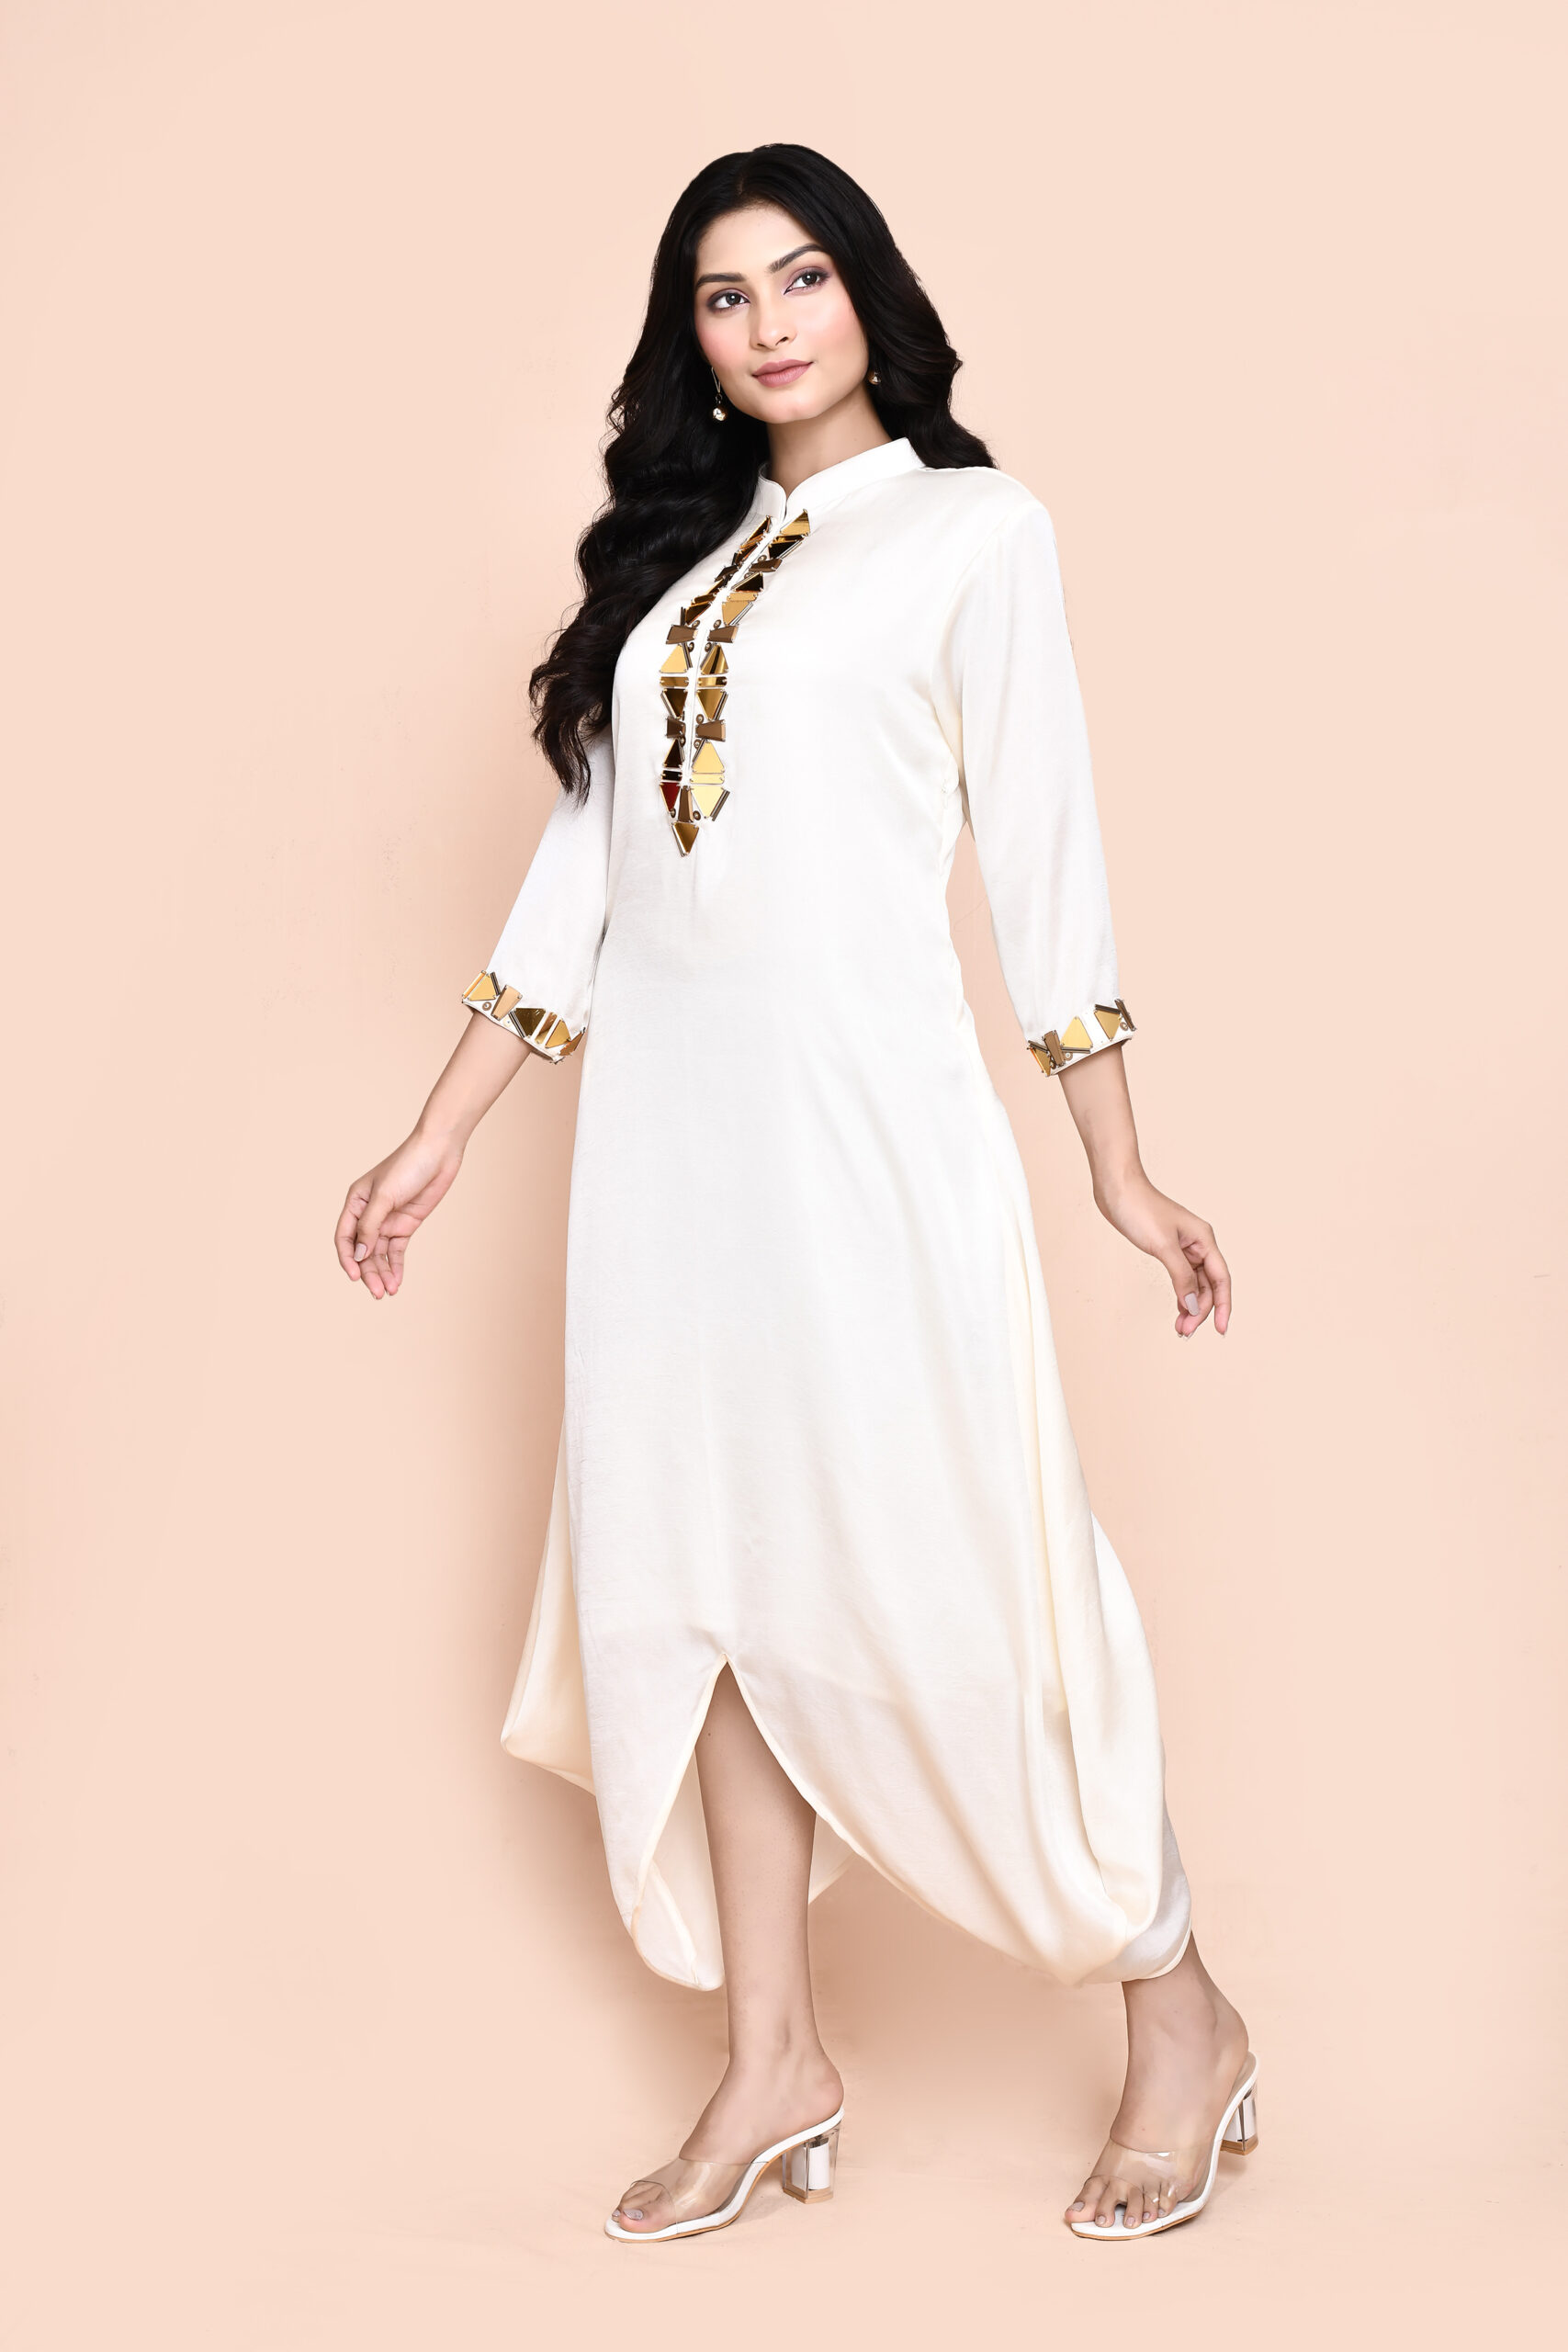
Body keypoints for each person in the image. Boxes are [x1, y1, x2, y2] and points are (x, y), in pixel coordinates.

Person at [335, 144, 1254, 2245]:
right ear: (691, 339)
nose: (764, 322)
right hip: (667, 1159)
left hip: (868, 1140)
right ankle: (773, 2060)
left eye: (801, 276)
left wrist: (1115, 1161)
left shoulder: (973, 533)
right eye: (722, 295)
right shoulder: (676, 576)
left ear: (868, 296)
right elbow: (580, 878)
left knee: (966, 1570)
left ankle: (1178, 2004)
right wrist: (441, 1129)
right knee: (700, 1574)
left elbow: (1044, 856)